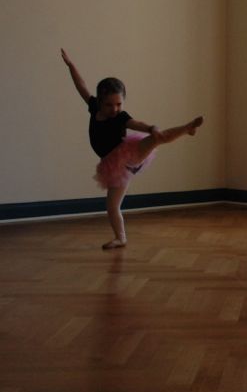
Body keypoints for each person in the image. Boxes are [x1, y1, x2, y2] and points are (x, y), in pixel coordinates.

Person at [61, 48, 203, 249]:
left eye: (119, 104)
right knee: (112, 206)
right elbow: (81, 86)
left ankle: (187, 128)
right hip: (113, 166)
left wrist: (150, 128)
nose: (115, 109)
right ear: (100, 101)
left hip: (129, 154)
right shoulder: (93, 107)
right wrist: (71, 65)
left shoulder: (121, 117)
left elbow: (136, 123)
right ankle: (121, 238)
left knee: (158, 138)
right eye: (109, 105)